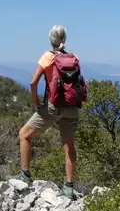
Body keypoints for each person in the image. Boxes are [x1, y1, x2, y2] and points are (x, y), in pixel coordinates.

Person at [16, 25, 81, 200]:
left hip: (53, 106)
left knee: (24, 135)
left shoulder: (48, 57)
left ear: (50, 39)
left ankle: (25, 176)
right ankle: (68, 187)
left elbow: (33, 82)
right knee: (69, 145)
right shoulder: (74, 57)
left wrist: (36, 102)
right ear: (64, 39)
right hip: (72, 107)